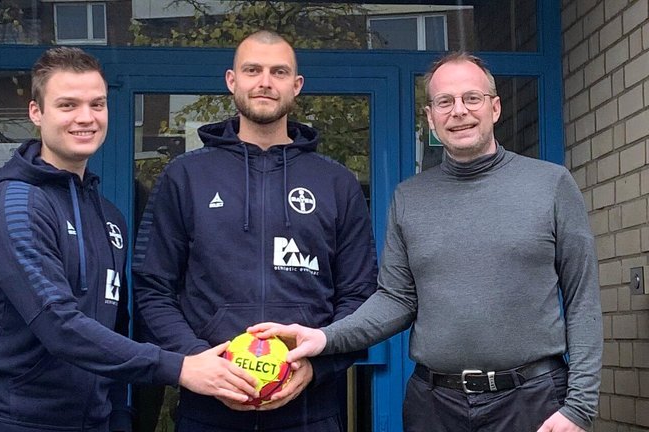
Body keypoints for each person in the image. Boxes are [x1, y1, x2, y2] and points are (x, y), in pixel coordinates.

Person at [251, 52, 602, 432]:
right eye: (445, 102)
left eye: (472, 98)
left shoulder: (550, 184)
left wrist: (579, 407)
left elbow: (583, 299)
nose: (459, 111)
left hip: (532, 401)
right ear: (431, 117)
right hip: (433, 406)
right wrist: (323, 337)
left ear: (495, 107)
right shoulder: (410, 197)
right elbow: (396, 299)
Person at [0, 46, 256, 432]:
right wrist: (180, 367)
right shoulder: (17, 208)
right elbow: (59, 326)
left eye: (97, 104)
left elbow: (114, 326)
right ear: (35, 113)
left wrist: (119, 415)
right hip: (10, 421)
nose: (86, 118)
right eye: (67, 105)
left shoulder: (108, 216)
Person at [132, 30, 378, 432]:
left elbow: (359, 295)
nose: (265, 81)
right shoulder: (186, 175)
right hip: (207, 412)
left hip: (310, 411)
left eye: (278, 71)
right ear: (232, 80)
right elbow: (152, 287)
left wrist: (318, 365)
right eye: (253, 70)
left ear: (296, 86)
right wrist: (196, 361)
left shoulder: (336, 182)